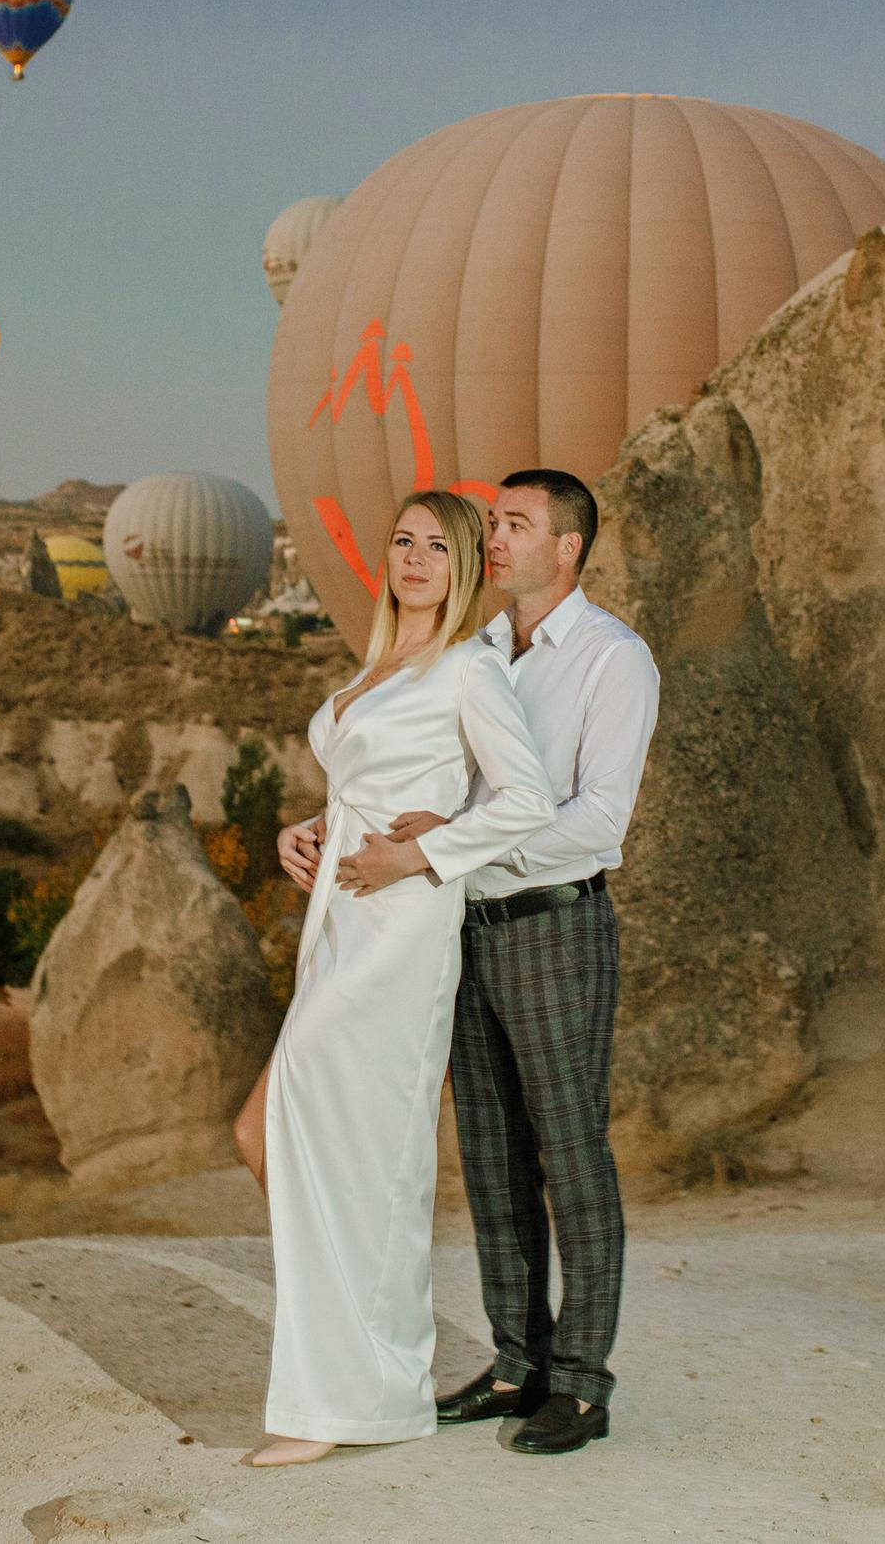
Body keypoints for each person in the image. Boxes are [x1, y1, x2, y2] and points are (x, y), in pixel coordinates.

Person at [280, 469, 659, 1456]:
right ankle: (513, 1362)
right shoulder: (474, 646)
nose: (492, 539)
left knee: (569, 1153)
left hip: (549, 920)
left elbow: (595, 821)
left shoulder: (611, 660)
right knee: (489, 1158)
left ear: (567, 546)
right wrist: (336, 826)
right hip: (453, 926)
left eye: (514, 525)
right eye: (487, 524)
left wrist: (447, 843)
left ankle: (579, 1381)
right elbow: (424, 779)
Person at [228, 489, 555, 1469]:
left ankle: (346, 1394)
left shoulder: (467, 671)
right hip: (337, 919)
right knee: (310, 1146)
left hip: (400, 934)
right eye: (401, 541)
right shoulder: (375, 668)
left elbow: (528, 799)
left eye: (437, 547)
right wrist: (306, 829)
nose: (414, 559)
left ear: (463, 568)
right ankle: (367, 1382)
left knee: (292, 1136)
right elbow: (361, 789)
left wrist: (422, 856)